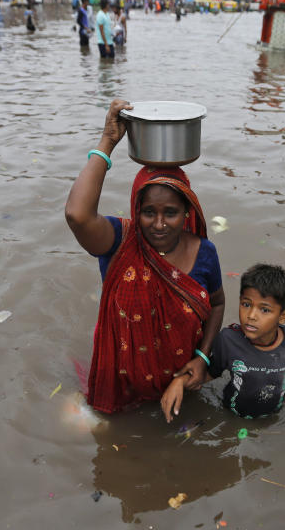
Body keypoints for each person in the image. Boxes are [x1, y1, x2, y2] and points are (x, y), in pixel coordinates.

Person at [65, 99, 226, 414]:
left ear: (187, 211)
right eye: (149, 212)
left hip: (183, 381)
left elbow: (218, 304)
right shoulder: (120, 242)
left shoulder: (203, 251)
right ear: (135, 210)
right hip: (124, 385)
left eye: (171, 213)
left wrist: (202, 358)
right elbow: (77, 215)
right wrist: (108, 141)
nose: (160, 224)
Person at [161, 264, 285, 422]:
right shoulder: (228, 340)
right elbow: (210, 373)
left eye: (264, 310)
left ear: (283, 316)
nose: (251, 315)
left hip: (274, 416)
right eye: (246, 304)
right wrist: (179, 381)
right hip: (232, 413)